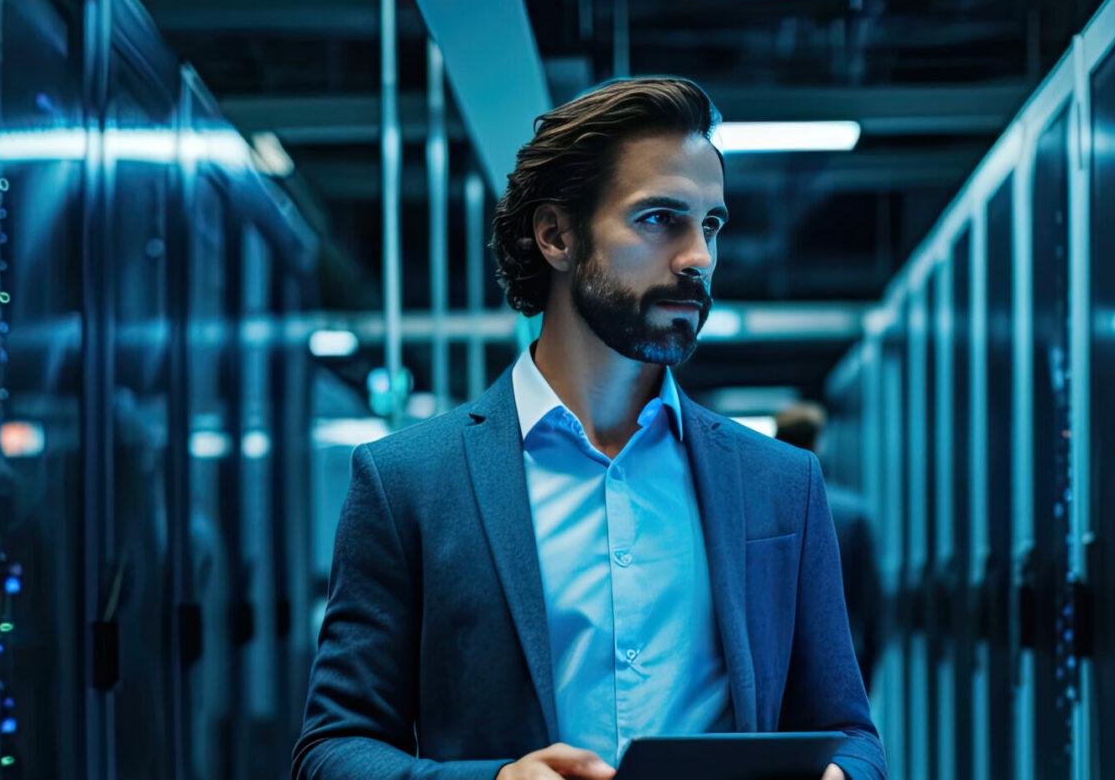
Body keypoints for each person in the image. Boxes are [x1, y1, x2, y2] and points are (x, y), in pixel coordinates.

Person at [293, 77, 886, 780]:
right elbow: (332, 749)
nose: (699, 256)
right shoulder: (408, 482)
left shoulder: (783, 484)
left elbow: (850, 731)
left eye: (711, 225)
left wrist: (842, 776)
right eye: (660, 218)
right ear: (556, 235)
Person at [773, 402, 884, 694]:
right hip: (842, 654)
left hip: (779, 661)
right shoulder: (852, 513)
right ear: (819, 442)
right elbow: (871, 604)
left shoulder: (760, 511)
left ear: (775, 439)